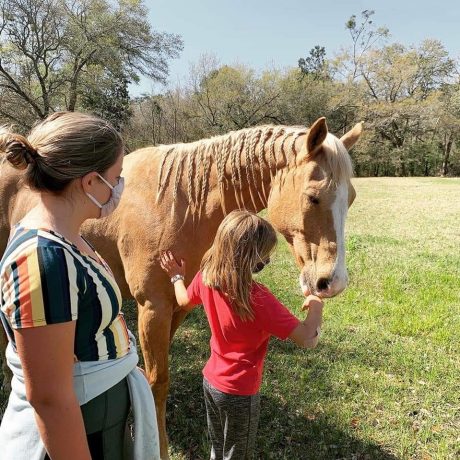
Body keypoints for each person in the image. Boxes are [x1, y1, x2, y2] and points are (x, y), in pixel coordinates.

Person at [0, 112, 159, 460]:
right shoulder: (42, 260)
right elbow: (50, 398)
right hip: (84, 436)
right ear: (90, 182)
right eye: (116, 178)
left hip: (100, 426)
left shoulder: (68, 236)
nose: (119, 188)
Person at [160, 210, 324, 460]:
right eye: (264, 256)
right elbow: (308, 338)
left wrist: (176, 277)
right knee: (237, 454)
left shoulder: (206, 278)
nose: (266, 261)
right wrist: (316, 304)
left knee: (218, 446)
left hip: (211, 382)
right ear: (251, 258)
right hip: (240, 392)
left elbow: (183, 301)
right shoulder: (258, 298)